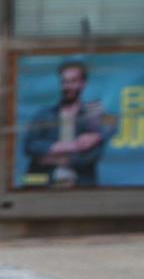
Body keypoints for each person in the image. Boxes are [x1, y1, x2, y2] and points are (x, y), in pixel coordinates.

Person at [22, 59, 113, 187]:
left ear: (83, 83)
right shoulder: (44, 114)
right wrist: (73, 146)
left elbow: (90, 157)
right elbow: (29, 146)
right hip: (43, 187)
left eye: (73, 81)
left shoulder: (92, 114)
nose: (67, 86)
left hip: (81, 189)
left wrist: (46, 158)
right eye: (64, 81)